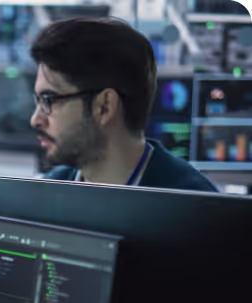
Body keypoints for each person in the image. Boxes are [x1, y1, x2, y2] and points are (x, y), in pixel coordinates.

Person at [31, 17, 216, 192]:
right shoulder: (49, 192)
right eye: (38, 101)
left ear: (104, 107)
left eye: (49, 100)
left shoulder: (198, 211)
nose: (35, 119)